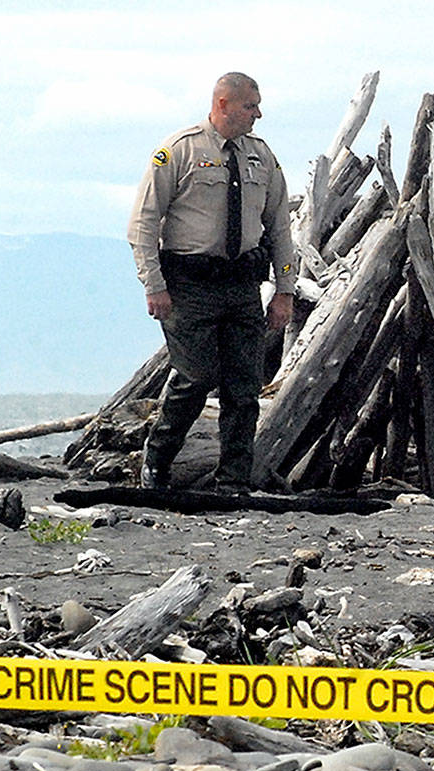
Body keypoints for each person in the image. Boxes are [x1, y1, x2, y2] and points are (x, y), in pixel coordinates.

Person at [127, 72, 297, 493]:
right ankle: (158, 461)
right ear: (223, 104)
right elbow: (142, 224)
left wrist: (286, 290)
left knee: (244, 385)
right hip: (189, 285)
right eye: (250, 105)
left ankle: (233, 480)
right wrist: (153, 285)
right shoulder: (178, 152)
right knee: (197, 376)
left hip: (241, 286)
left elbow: (280, 227)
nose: (258, 114)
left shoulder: (262, 157)